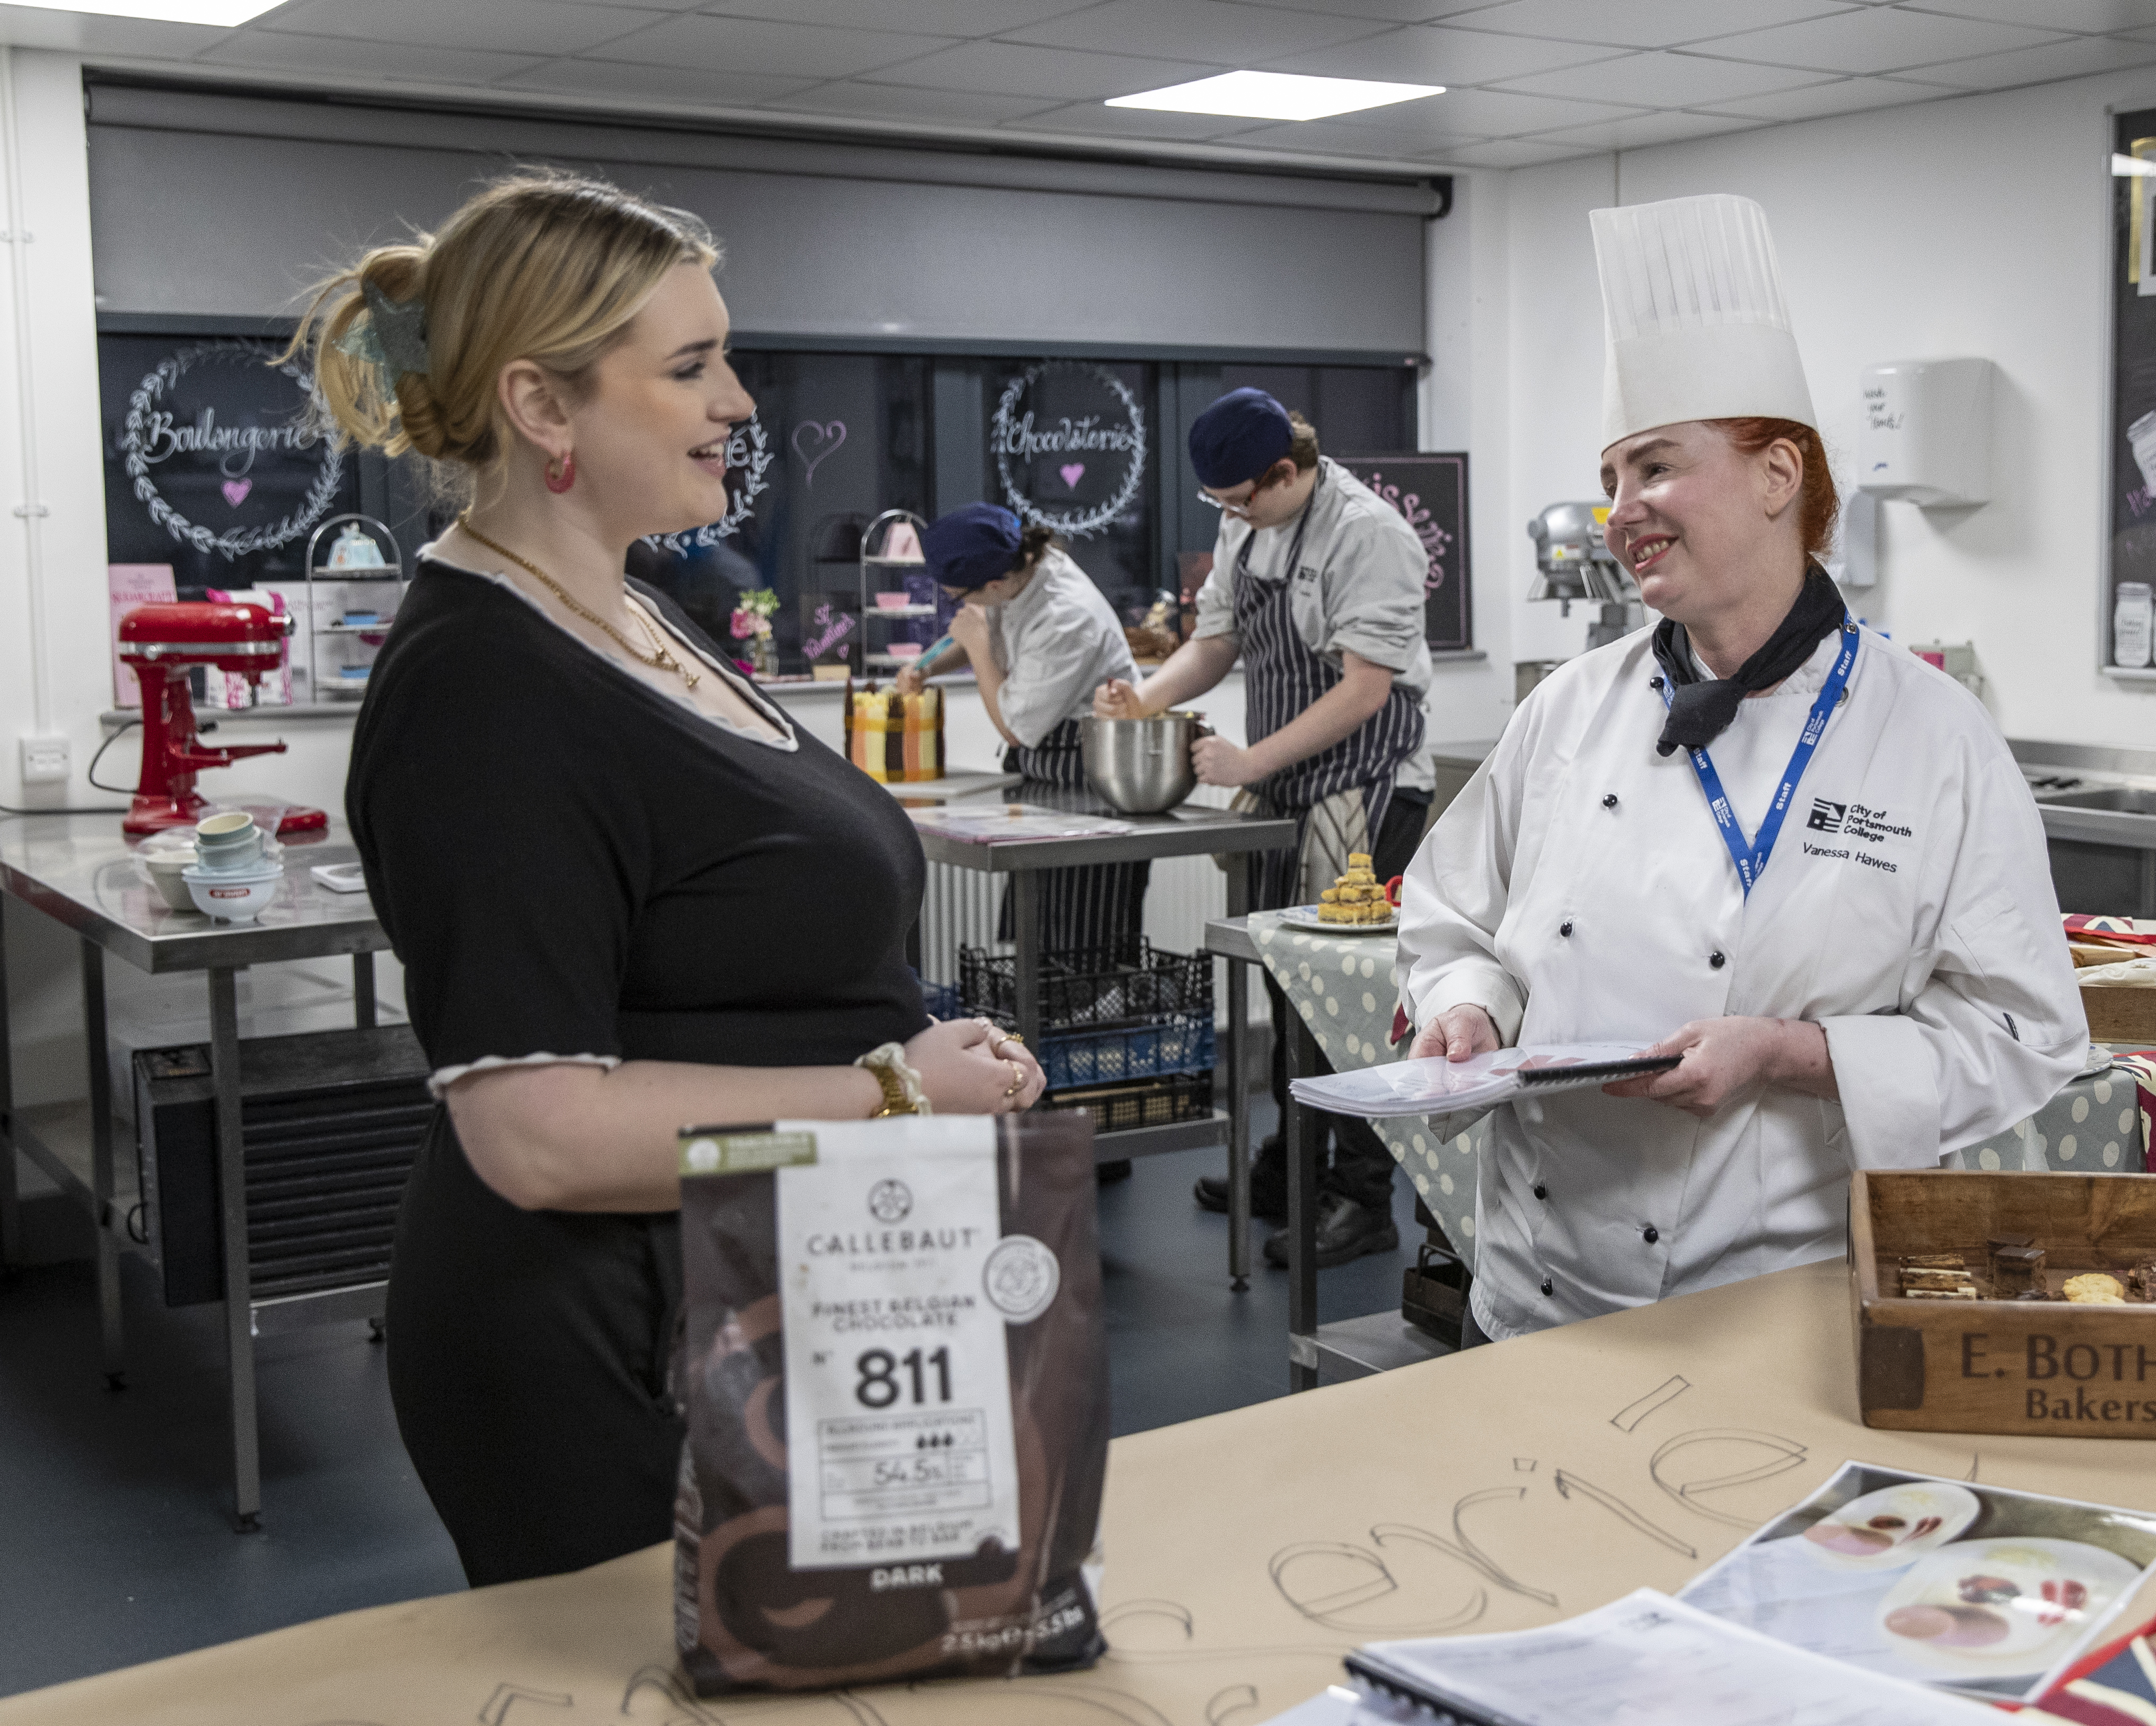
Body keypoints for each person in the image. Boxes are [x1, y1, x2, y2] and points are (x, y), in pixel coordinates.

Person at [305, 172, 1045, 1587]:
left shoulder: (633, 612)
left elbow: (736, 951)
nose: (740, 401)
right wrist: (895, 1091)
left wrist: (929, 1049)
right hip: (613, 1335)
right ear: (543, 405)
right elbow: (539, 1134)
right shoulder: (481, 683)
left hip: (768, 1290)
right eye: (692, 365)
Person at [1397, 193, 2085, 1344]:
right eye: (1612, 477)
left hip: (1772, 1310)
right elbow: (1451, 920)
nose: (1621, 512)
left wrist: (1792, 1053)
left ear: (1777, 476)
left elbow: (2020, 1037)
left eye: (1655, 468)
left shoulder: (1930, 734)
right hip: (1528, 1295)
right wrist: (1466, 1008)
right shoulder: (1568, 708)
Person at [1095, 389, 1432, 1268]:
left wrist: (1250, 763)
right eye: (1221, 507)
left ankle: (1364, 1200)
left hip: (1363, 785)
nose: (1232, 519)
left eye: (1242, 500)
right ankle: (1293, 1165)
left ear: (1287, 471)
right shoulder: (1249, 527)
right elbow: (1215, 643)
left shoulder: (1368, 534)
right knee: (1288, 984)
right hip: (1288, 786)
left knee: (1351, 1002)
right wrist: (1146, 697)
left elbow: (1364, 688)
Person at [898, 504, 1143, 954]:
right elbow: (977, 627)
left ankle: (1089, 1019)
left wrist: (973, 646)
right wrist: (927, 665)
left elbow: (1014, 726)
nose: (960, 605)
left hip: (1091, 778)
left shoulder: (1068, 616)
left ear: (993, 584)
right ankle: (1040, 1014)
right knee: (1037, 930)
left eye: (958, 595)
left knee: (1085, 932)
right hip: (1045, 776)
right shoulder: (1016, 572)